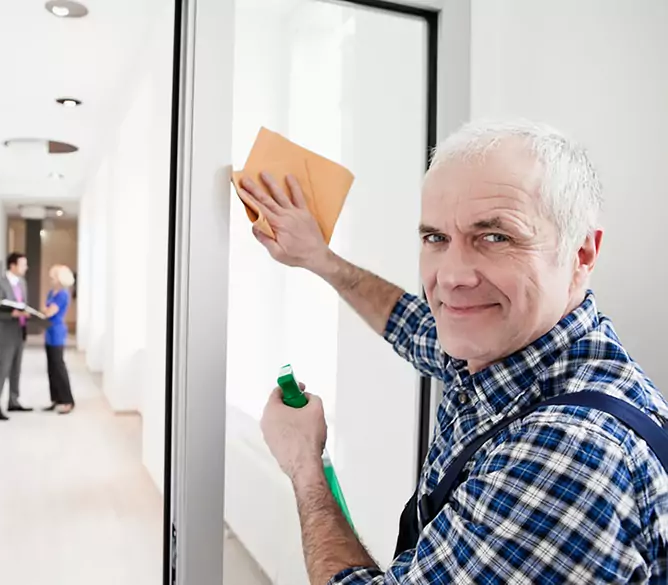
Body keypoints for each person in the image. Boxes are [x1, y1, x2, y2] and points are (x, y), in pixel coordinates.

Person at [242, 119, 668, 584]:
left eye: (495, 237)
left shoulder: (570, 457)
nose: (451, 277)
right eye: (436, 238)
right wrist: (319, 258)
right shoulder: (522, 348)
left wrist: (306, 466)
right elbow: (411, 324)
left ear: (582, 253)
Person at [0, 252, 33, 420]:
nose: (26, 268)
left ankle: (14, 400)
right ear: (13, 266)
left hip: (20, 331)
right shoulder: (0, 285)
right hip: (6, 333)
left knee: (16, 368)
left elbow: (23, 305)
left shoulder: (22, 283)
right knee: (3, 367)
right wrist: (12, 314)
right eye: (23, 264)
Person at [42, 264, 75, 414]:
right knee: (51, 368)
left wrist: (47, 311)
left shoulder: (63, 294)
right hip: (48, 331)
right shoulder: (51, 292)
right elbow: (46, 309)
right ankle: (56, 399)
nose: (51, 279)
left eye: (53, 276)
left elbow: (49, 311)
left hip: (57, 332)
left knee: (59, 366)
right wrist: (47, 310)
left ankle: (68, 401)